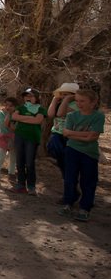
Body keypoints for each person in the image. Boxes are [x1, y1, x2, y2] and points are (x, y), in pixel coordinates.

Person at [58, 89, 105, 222]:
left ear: (93, 102)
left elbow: (92, 137)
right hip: (72, 149)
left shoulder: (98, 116)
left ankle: (85, 208)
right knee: (70, 179)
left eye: (82, 101)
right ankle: (68, 203)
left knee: (88, 181)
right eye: (77, 101)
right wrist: (85, 134)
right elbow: (66, 133)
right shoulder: (72, 116)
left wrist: (75, 134)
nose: (79, 104)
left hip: (89, 153)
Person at [9, 88, 47, 195]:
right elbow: (14, 116)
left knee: (29, 163)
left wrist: (22, 118)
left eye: (31, 96)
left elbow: (38, 120)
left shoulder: (40, 109)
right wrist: (29, 119)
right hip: (20, 136)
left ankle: (31, 186)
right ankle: (21, 185)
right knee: (20, 162)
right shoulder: (21, 107)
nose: (28, 98)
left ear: (36, 98)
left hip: (32, 137)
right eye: (26, 96)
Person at [47, 82, 80, 201]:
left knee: (69, 166)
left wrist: (66, 100)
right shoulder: (60, 103)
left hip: (68, 136)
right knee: (63, 165)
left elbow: (60, 113)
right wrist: (55, 100)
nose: (64, 96)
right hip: (57, 134)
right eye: (62, 94)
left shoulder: (76, 105)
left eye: (67, 94)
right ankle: (71, 192)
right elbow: (50, 114)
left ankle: (70, 194)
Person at [0, 97, 18, 187]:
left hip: (14, 137)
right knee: (1, 157)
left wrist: (12, 114)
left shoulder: (17, 114)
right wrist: (9, 114)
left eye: (11, 106)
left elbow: (14, 127)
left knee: (13, 157)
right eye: (6, 105)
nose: (8, 107)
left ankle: (11, 173)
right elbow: (5, 125)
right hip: (4, 137)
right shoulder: (0, 113)